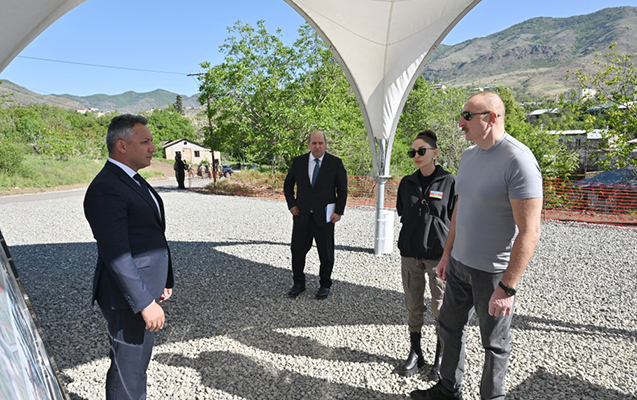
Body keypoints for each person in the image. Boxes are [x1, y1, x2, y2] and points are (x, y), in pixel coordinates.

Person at [411, 92, 542, 400]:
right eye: (462, 115)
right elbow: (460, 208)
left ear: (492, 118)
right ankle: (448, 390)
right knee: (449, 327)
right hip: (459, 265)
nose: (460, 122)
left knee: (494, 344)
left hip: (493, 274)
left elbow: (530, 231)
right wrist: (447, 255)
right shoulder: (468, 156)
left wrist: (507, 287)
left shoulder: (519, 160)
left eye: (468, 116)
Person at [84, 114, 174, 400]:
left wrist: (165, 279)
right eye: (145, 142)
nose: (153, 148)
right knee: (129, 371)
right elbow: (117, 254)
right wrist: (144, 302)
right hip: (127, 298)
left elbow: (150, 235)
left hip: (143, 289)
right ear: (122, 146)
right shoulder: (106, 188)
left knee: (137, 366)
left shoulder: (130, 179)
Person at [396, 130, 456, 379]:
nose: (416, 156)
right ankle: (416, 351)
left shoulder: (449, 182)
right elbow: (403, 213)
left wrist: (448, 253)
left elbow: (455, 220)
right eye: (412, 152)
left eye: (421, 151)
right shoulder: (406, 183)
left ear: (435, 153)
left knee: (440, 307)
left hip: (438, 256)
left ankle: (440, 357)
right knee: (413, 304)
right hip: (410, 254)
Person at [283, 131, 348, 300]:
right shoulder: (299, 162)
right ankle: (298, 283)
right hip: (301, 215)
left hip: (325, 217)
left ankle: (325, 285)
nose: (317, 146)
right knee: (297, 251)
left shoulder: (335, 163)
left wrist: (338, 211)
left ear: (325, 144)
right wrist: (292, 205)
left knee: (326, 254)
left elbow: (342, 189)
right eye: (314, 143)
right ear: (309, 145)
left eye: (320, 143)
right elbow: (288, 185)